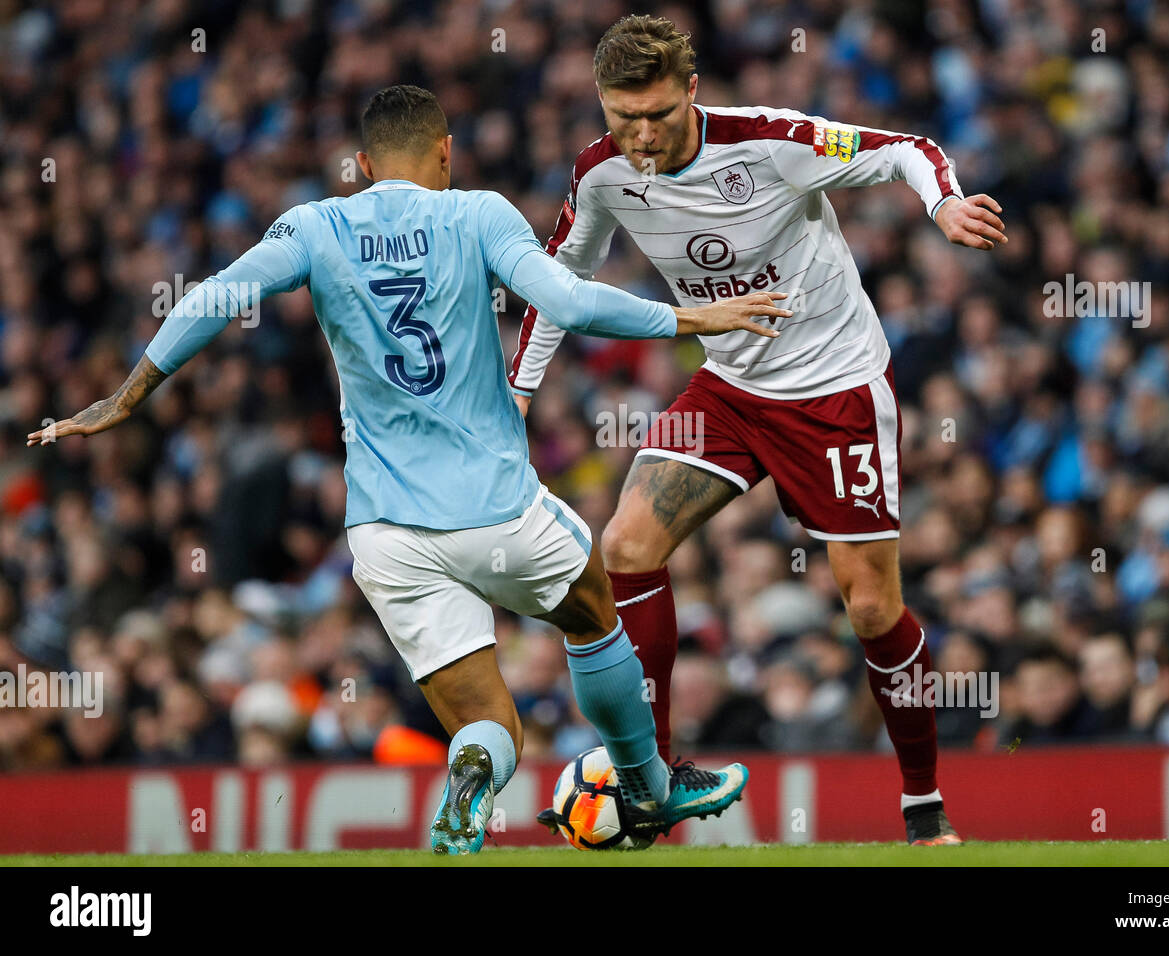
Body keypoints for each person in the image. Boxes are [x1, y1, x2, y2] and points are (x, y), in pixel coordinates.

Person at [29, 84, 791, 855]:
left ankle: (468, 782)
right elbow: (569, 300)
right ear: (446, 152)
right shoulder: (477, 213)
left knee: (487, 725)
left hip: (387, 536)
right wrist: (696, 317)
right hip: (500, 513)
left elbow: (217, 298)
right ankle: (649, 787)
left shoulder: (316, 225)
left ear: (360, 164)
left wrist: (125, 397)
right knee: (594, 617)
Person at [509, 16, 1008, 845]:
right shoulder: (600, 175)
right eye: (621, 116)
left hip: (834, 389)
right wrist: (518, 394)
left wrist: (944, 204)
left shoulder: (771, 142)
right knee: (625, 548)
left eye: (658, 114)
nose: (640, 135)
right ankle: (654, 780)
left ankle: (922, 801)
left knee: (873, 607)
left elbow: (904, 146)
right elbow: (560, 279)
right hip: (732, 388)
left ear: (693, 92)